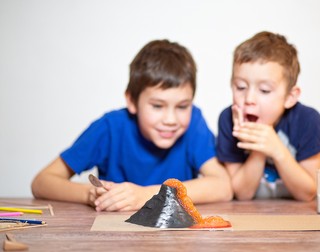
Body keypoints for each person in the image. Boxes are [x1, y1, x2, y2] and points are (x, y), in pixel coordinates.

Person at [32, 39, 232, 211]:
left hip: (176, 244)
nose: (171, 119)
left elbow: (223, 187)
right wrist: (90, 194)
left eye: (182, 106)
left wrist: (148, 195)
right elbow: (42, 182)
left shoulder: (193, 123)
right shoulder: (110, 128)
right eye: (157, 106)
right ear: (132, 101)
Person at [216, 31, 320, 202]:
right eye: (240, 87)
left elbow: (308, 193)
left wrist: (277, 150)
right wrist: (259, 150)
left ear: (290, 97)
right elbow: (242, 194)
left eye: (264, 90)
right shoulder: (228, 119)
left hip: (298, 219)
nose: (249, 99)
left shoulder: (308, 120)